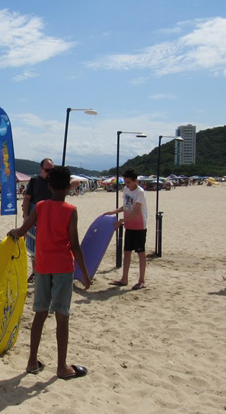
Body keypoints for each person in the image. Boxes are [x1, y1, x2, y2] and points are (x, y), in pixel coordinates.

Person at [9, 165, 90, 380]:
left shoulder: (41, 206)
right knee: (62, 317)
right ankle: (62, 367)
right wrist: (85, 274)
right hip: (63, 268)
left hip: (42, 267)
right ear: (68, 187)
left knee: (40, 315)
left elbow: (23, 230)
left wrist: (14, 233)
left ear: (50, 185)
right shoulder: (71, 210)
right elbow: (75, 245)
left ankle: (31, 362)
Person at [104, 168, 147, 290]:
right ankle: (124, 278)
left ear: (135, 181)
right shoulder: (126, 190)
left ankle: (141, 280)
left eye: (128, 182)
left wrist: (121, 221)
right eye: (125, 182)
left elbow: (136, 211)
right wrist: (113, 211)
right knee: (127, 252)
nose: (126, 184)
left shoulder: (140, 192)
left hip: (139, 226)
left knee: (140, 253)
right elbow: (127, 206)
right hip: (129, 226)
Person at [22, 158, 55, 283]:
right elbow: (27, 199)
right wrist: (25, 216)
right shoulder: (35, 181)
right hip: (35, 216)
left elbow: (75, 182)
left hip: (51, 217)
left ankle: (48, 272)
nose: (50, 172)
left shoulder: (56, 181)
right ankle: (35, 272)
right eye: (47, 170)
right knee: (33, 245)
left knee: (50, 245)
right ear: (41, 169)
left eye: (52, 170)